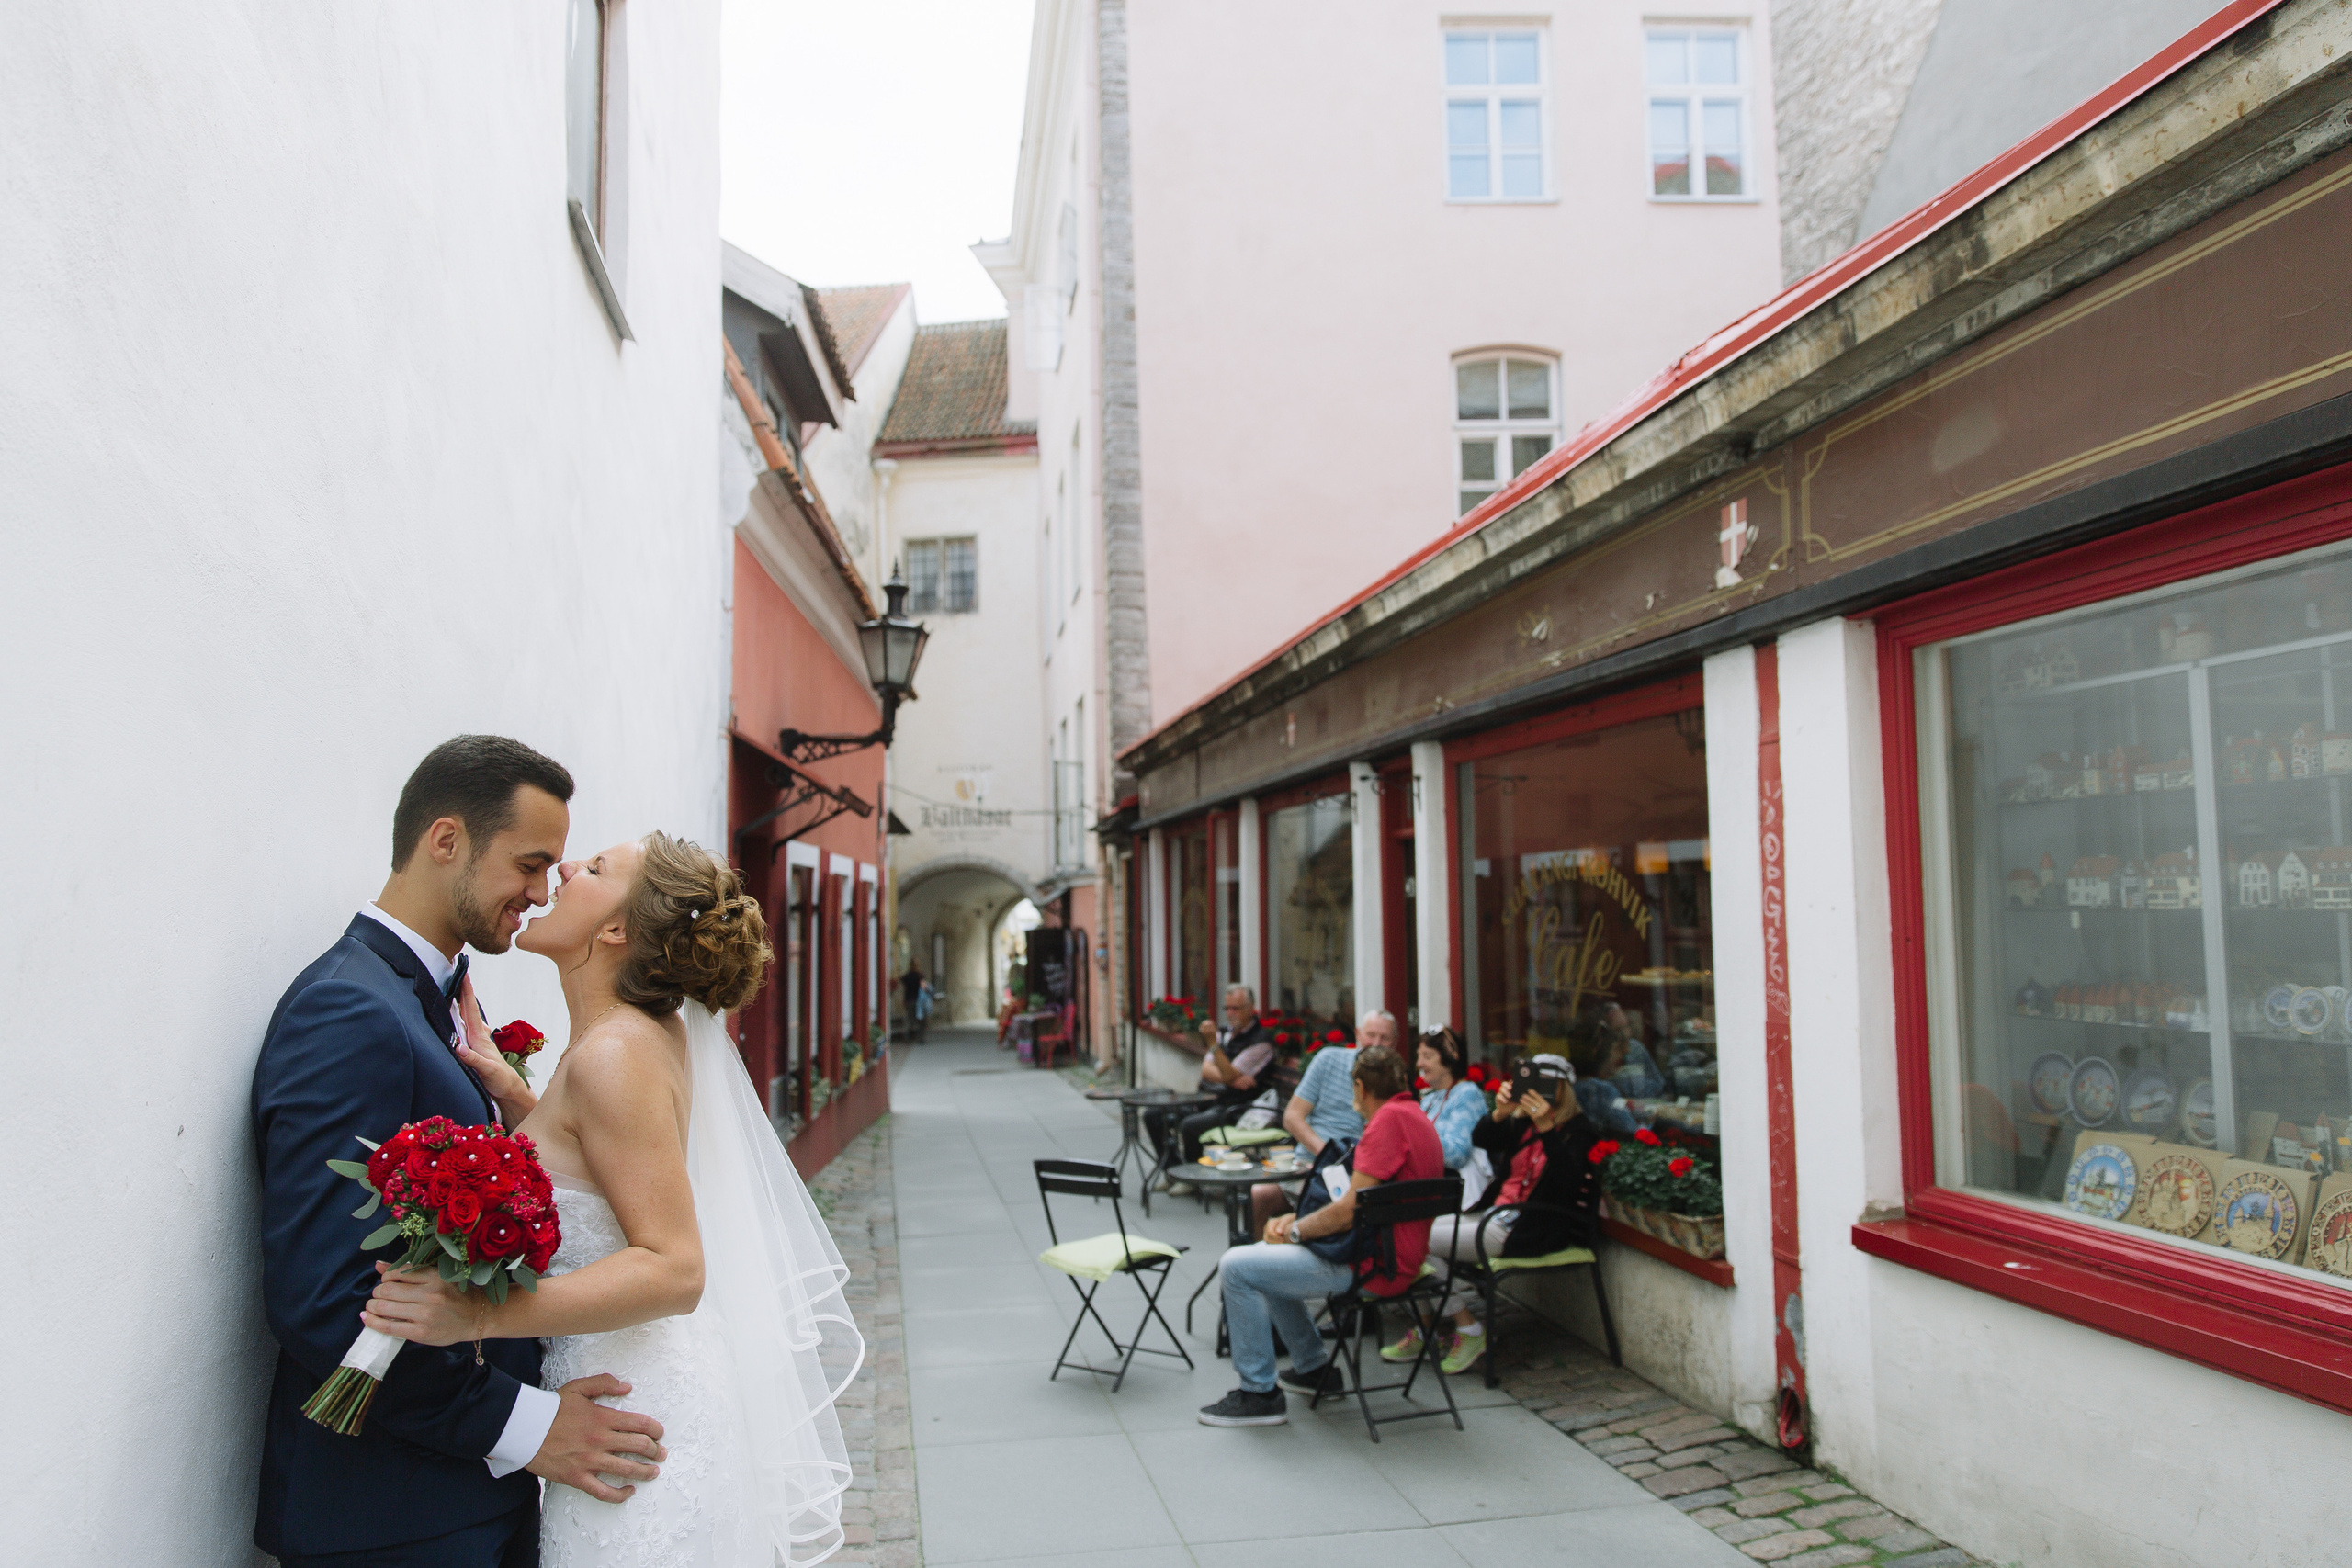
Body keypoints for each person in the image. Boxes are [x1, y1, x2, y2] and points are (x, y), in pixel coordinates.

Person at [363, 830, 860, 1565]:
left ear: (616, 929)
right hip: (634, 1391)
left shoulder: (613, 1055)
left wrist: (479, 1314)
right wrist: (519, 1099)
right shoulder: (638, 1034)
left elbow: (676, 1269)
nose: (566, 867)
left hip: (636, 1415)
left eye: (594, 868)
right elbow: (601, 1173)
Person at [254, 737, 667, 1568]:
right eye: (530, 863)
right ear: (446, 840)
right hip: (387, 1516)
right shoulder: (348, 1011)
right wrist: (529, 1425)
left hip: (471, 1497)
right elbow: (325, 1302)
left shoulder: (435, 1003)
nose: (543, 891)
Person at [1196, 1044, 1444, 1426]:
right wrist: (1297, 1222)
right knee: (1267, 1261)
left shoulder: (1386, 1123)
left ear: (1360, 1087)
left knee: (1236, 1266)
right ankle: (1314, 1370)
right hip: (1396, 1257)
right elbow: (1358, 1203)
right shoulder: (1414, 1116)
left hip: (1375, 1266)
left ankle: (1259, 1393)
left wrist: (1296, 1231)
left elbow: (1348, 1211)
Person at [1398, 1052, 1604, 1377]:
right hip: (1496, 1214)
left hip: (1531, 1227)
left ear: (1564, 1089)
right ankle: (1429, 1329)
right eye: (1534, 1083)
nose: (1540, 1091)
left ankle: (1466, 1329)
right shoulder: (1523, 1122)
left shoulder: (1579, 1132)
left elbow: (1567, 1185)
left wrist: (1548, 1130)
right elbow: (1482, 1139)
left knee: (1418, 1242)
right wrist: (1500, 1113)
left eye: (1549, 1084)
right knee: (1409, 1230)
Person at [1246, 1008, 1397, 1235]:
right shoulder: (1329, 1060)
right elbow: (1292, 1117)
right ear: (1358, 1034)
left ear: (1394, 1043)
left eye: (1384, 1038)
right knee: (1258, 1195)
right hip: (1309, 1161)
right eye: (1371, 1035)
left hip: (1357, 1173)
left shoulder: (1394, 1080)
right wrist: (1325, 1154)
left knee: (1336, 1207)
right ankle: (1256, 1253)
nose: (1376, 1044)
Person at [1148, 984, 1274, 1193]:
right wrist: (1229, 1076)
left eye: (1236, 1008)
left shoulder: (1260, 1042)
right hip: (1208, 1099)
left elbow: (1228, 1072)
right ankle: (1173, 1172)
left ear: (1251, 1008)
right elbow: (1207, 1070)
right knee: (1153, 1115)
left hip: (1234, 1108)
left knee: (1190, 1125)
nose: (1230, 1013)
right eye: (1227, 1008)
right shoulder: (1224, 1033)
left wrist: (1215, 1049)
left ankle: (1191, 1179)